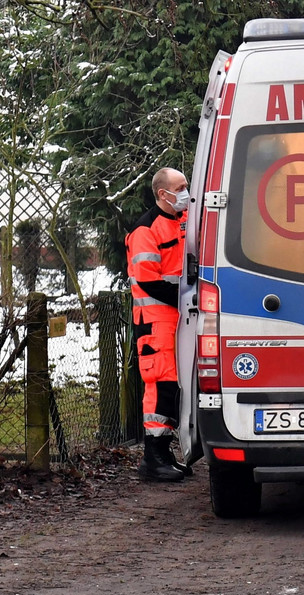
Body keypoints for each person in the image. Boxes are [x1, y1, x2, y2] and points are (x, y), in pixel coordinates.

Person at [126, 167, 193, 482]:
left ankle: (164, 454)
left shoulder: (183, 222)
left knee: (173, 386)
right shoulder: (146, 230)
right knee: (160, 385)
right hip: (156, 321)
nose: (186, 192)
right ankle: (153, 458)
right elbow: (149, 281)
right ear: (163, 194)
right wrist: (189, 296)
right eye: (180, 187)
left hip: (178, 318)